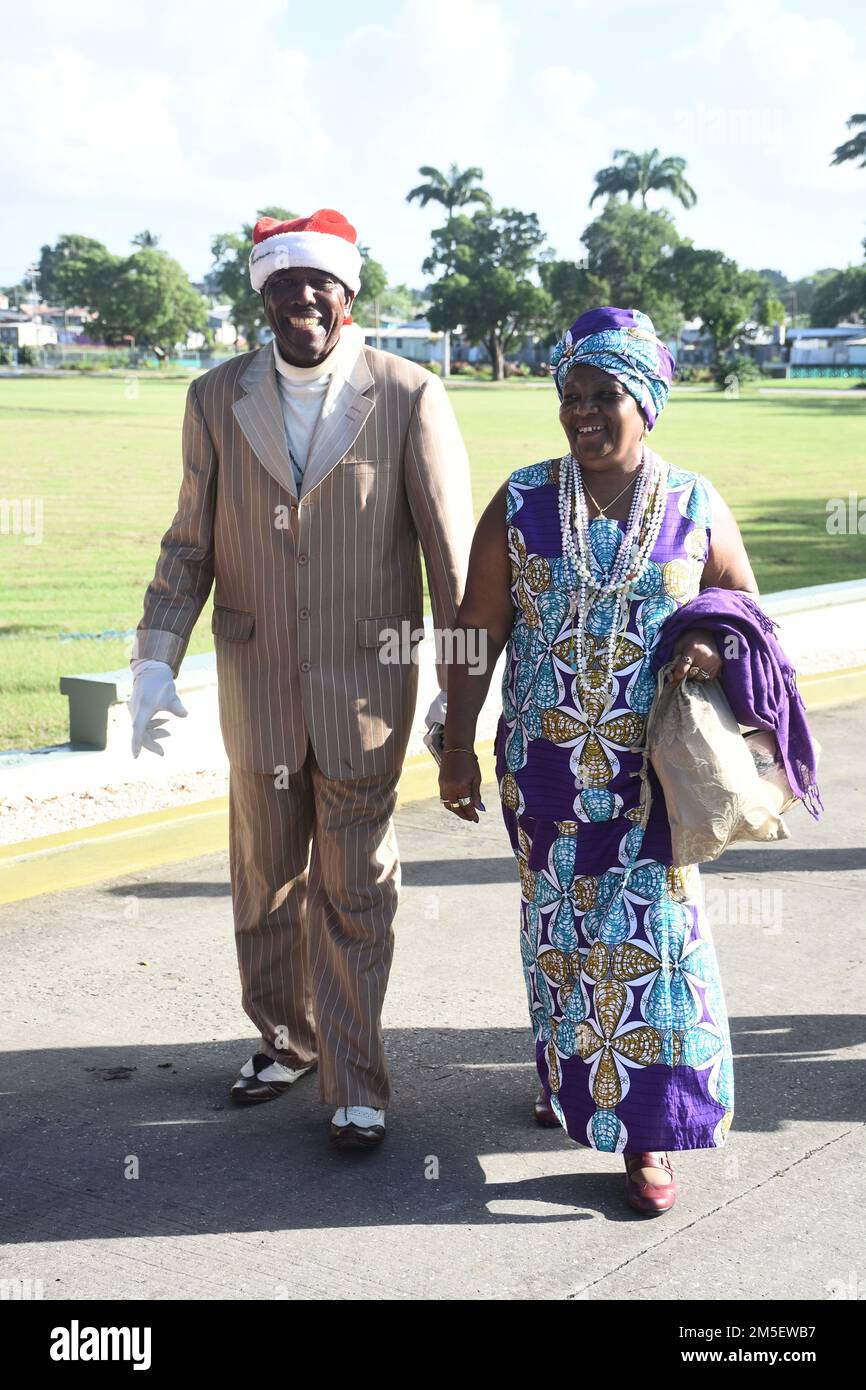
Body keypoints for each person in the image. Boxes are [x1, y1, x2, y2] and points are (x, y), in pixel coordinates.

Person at [129, 208, 473, 1148]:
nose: (301, 302)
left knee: (356, 885)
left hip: (367, 694)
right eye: (282, 286)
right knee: (263, 877)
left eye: (318, 285)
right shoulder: (214, 397)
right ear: (263, 296)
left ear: (348, 292)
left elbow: (451, 563)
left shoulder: (408, 393)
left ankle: (356, 1079)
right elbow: (189, 543)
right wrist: (154, 659)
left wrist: (461, 684)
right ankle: (285, 1039)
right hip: (255, 684)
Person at [439, 306, 759, 1213]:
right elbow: (477, 629)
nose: (582, 414)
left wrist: (711, 648)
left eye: (603, 396)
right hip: (543, 766)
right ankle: (562, 1068)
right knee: (559, 930)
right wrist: (456, 746)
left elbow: (742, 607)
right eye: (569, 397)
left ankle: (648, 1133)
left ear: (647, 402)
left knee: (651, 940)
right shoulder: (525, 497)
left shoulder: (695, 503)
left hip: (652, 772)